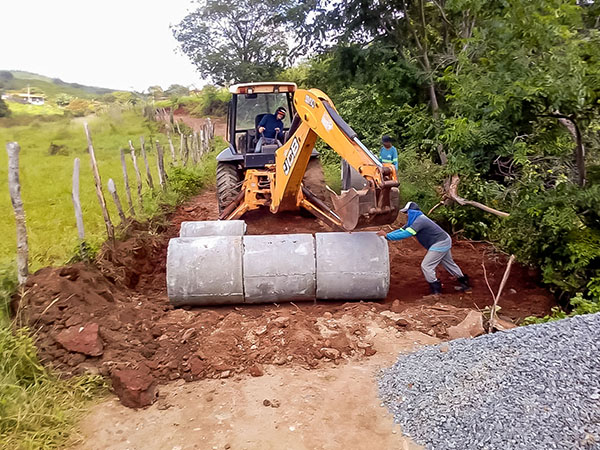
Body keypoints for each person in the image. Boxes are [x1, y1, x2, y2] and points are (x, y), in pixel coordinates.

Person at [377, 201, 471, 295]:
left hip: (440, 242)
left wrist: (388, 236)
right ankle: (465, 284)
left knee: (427, 266)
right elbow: (402, 230)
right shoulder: (414, 221)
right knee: (449, 263)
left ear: (412, 212)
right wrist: (388, 235)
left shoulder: (420, 221)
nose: (406, 215)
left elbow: (408, 233)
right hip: (444, 240)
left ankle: (436, 291)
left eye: (407, 213)